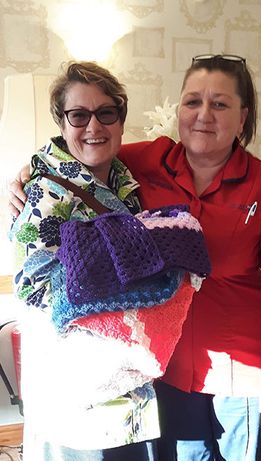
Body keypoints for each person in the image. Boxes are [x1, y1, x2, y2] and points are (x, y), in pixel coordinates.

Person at [9, 54, 261, 461]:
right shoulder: (148, 161)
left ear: (243, 117)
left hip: (242, 371)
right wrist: (28, 175)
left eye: (220, 104)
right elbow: (83, 151)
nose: (204, 115)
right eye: (192, 101)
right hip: (165, 368)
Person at [9, 62, 159, 460]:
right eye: (79, 115)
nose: (94, 126)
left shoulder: (126, 183)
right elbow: (34, 288)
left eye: (105, 113)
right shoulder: (45, 193)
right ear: (62, 123)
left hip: (128, 376)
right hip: (79, 383)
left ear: (121, 120)